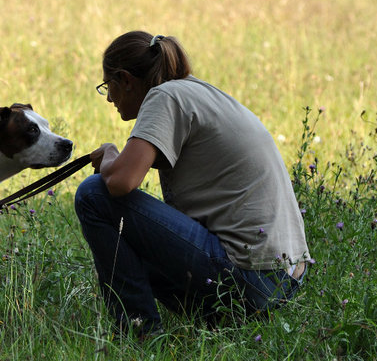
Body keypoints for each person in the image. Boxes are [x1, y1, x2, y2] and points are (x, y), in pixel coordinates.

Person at [74, 30, 310, 337]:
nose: (109, 98)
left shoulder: (164, 97)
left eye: (109, 87)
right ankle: (210, 324)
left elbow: (120, 182)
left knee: (94, 194)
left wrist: (108, 154)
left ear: (126, 80)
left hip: (250, 280)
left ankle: (140, 334)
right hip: (284, 279)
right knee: (125, 221)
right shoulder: (195, 92)